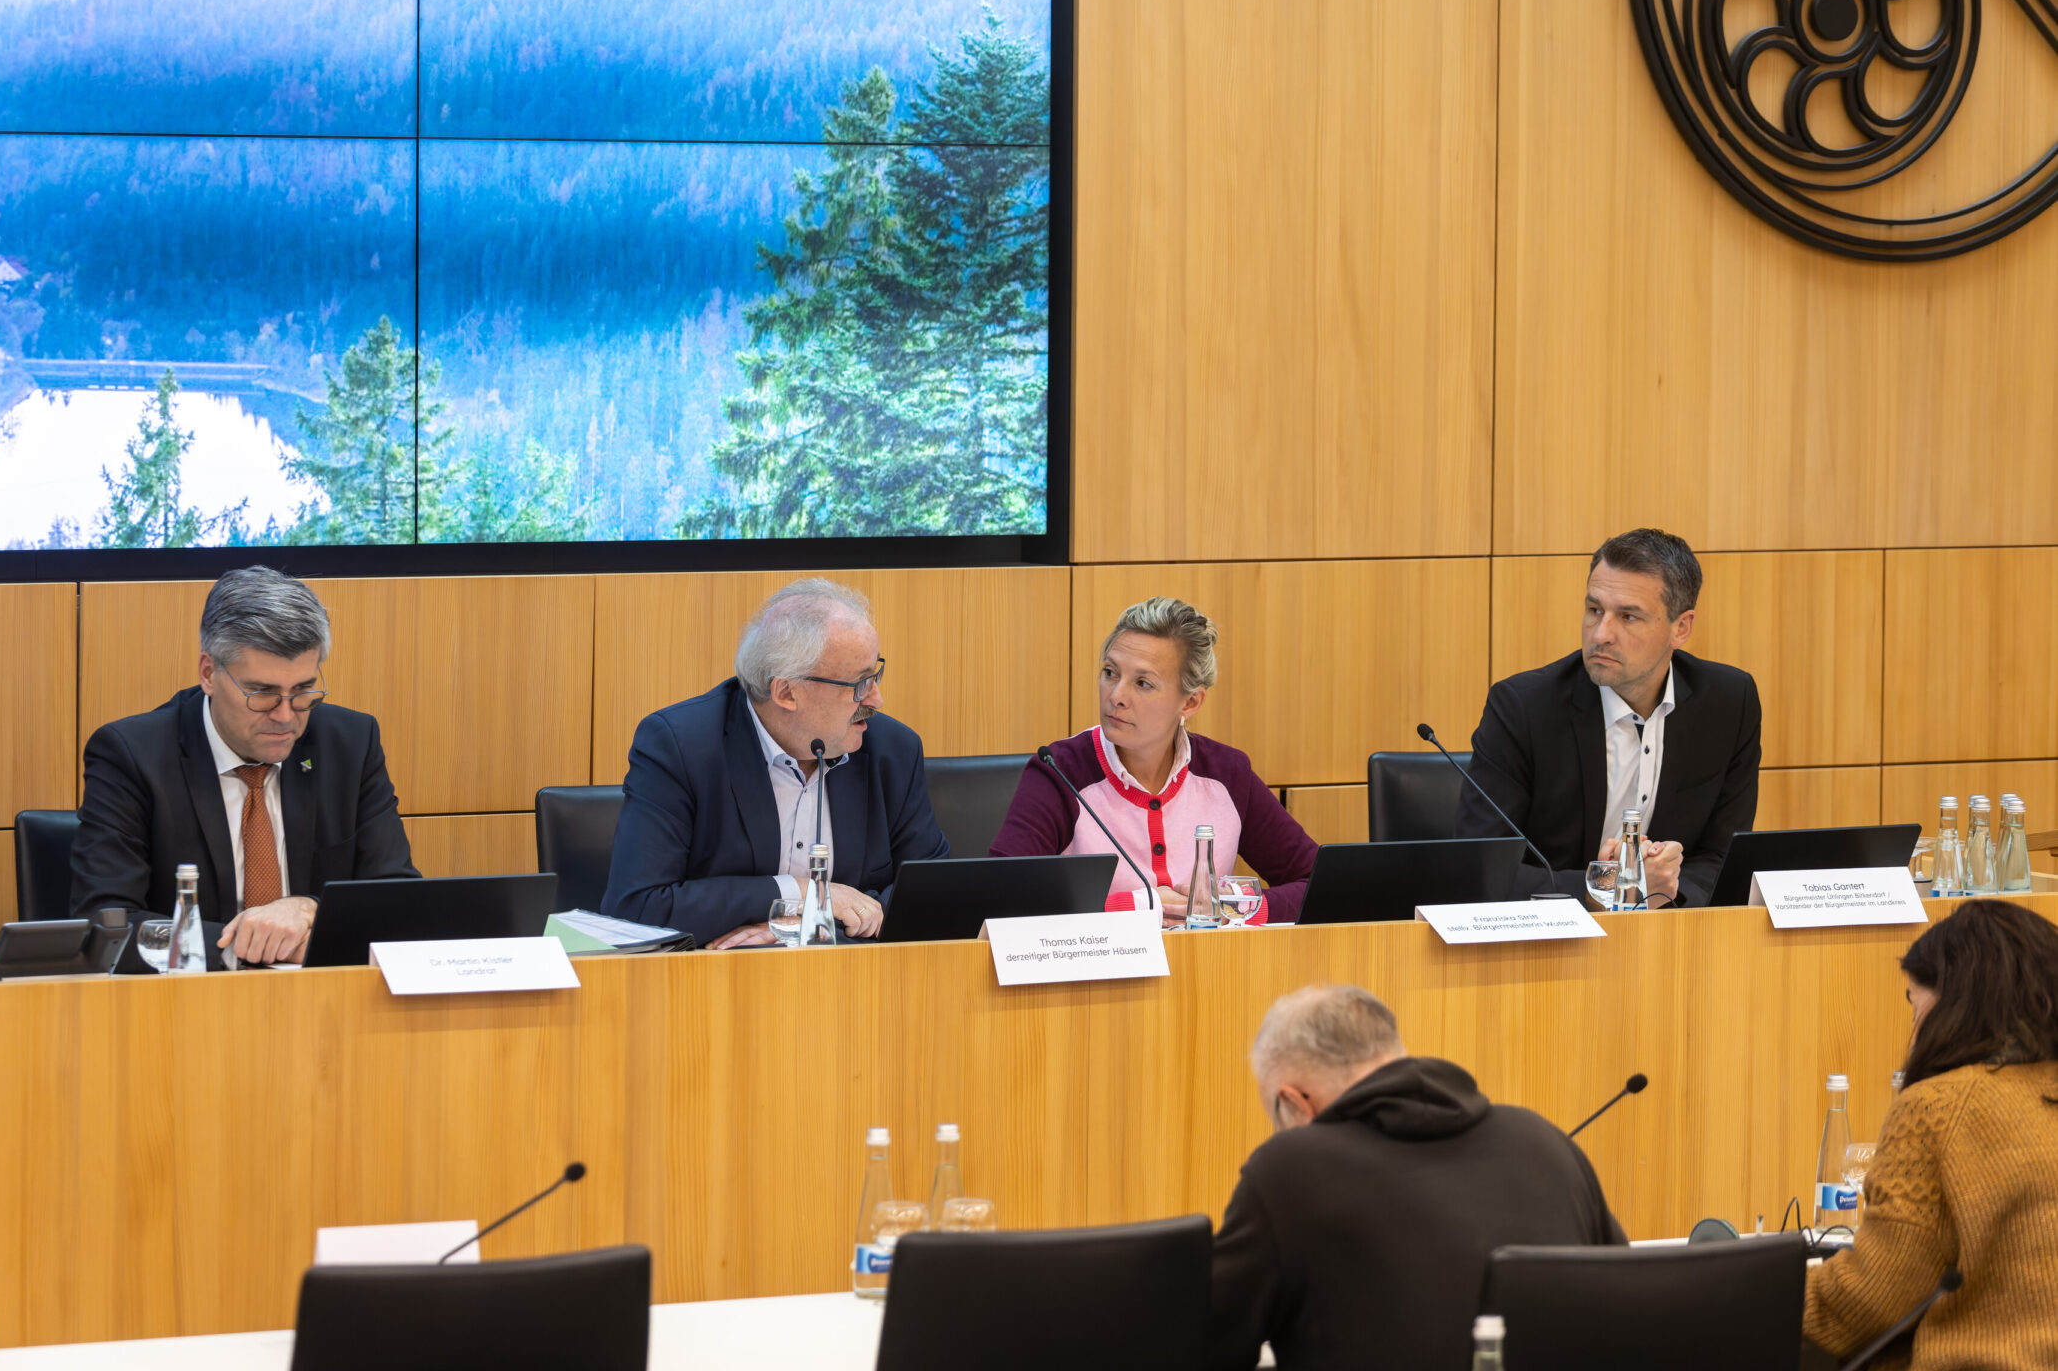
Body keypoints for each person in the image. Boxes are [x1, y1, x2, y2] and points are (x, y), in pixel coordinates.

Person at [1207, 984, 1626, 1369]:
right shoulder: (1543, 1140)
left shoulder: (1289, 1171)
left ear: (1295, 1103)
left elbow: (1204, 1345)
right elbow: (1629, 1303)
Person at [71, 566, 416, 966]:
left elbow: (398, 901)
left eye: (303, 690)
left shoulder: (350, 744)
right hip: (184, 1008)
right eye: (263, 693)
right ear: (209, 674)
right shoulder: (132, 755)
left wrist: (312, 911)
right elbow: (107, 926)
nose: (286, 717)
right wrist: (252, 944)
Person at [600, 578, 948, 948]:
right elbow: (636, 908)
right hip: (713, 989)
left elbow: (935, 894)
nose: (876, 699)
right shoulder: (681, 746)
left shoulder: (892, 750)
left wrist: (807, 925)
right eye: (859, 683)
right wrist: (798, 894)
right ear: (786, 692)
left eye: (874, 674)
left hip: (854, 985)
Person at [1805, 899, 2058, 1370]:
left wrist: (1746, 1291)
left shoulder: (1939, 1108)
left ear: (1954, 1006)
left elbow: (1871, 1300)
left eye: (1914, 1004)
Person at [1458, 527, 1760, 906]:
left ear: (1680, 628)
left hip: (1671, 938)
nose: (1601, 633)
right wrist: (1609, 883)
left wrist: (1662, 890)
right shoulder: (1523, 707)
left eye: (1628, 617)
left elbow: (1722, 856)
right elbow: (1481, 869)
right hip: (1549, 945)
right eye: (1594, 609)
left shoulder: (1728, 702)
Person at [989, 596, 1317, 924]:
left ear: (1190, 702)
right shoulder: (1059, 771)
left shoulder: (1227, 774)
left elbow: (1316, 884)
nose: (1116, 695)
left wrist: (1237, 906)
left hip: (1209, 970)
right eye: (1109, 672)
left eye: (1143, 683)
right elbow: (1002, 902)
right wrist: (1135, 909)